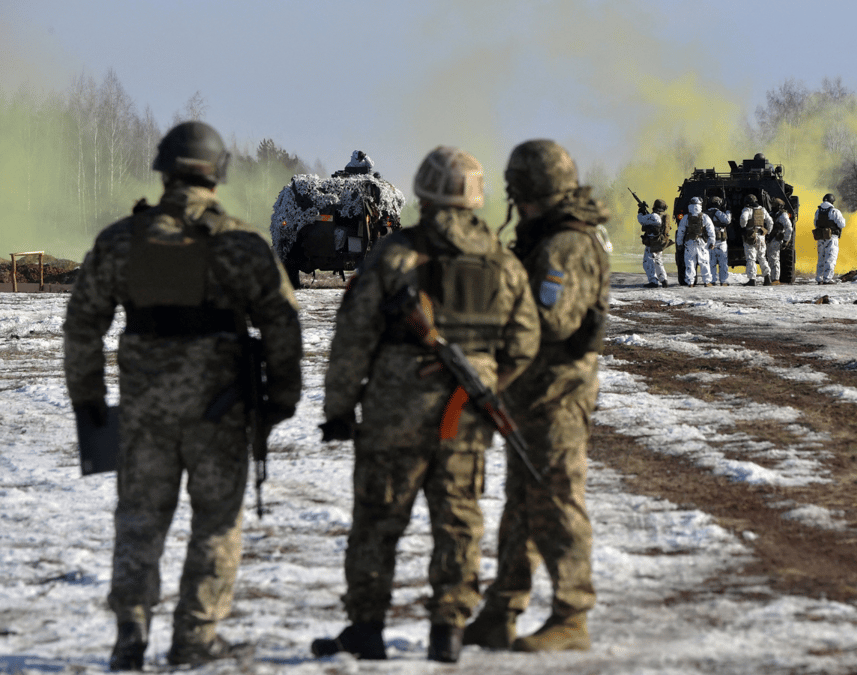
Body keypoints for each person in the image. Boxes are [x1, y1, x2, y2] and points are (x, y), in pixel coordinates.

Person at [63, 121, 303, 670]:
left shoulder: (121, 241)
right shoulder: (241, 244)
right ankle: (195, 637)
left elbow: (82, 327)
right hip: (219, 413)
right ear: (218, 173)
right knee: (216, 522)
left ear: (164, 169)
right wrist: (281, 398)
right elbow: (282, 323)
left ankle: (130, 632)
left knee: (140, 518)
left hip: (146, 413)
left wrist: (89, 401)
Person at [312, 146, 540, 663]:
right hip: (466, 413)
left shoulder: (394, 256)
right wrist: (488, 381)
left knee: (378, 518)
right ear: (477, 199)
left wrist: (339, 411)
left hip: (395, 409)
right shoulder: (501, 263)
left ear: (423, 193)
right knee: (459, 518)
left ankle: (367, 627)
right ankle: (449, 629)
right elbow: (525, 343)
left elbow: (352, 340)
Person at [463, 139, 609, 652]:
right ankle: (503, 608)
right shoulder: (541, 238)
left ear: (527, 189)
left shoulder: (565, 246)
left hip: (557, 393)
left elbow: (551, 319)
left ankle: (573, 615)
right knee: (522, 504)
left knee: (558, 500)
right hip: (530, 391)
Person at [675, 196, 715, 287]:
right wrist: (712, 242)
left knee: (690, 263)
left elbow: (681, 232)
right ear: (700, 205)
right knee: (704, 262)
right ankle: (707, 282)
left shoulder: (685, 217)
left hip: (689, 243)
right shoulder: (705, 217)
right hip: (701, 243)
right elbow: (711, 230)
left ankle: (690, 282)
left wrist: (679, 243)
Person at [814, 193, 847, 284]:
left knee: (821, 258)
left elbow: (815, 223)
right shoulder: (834, 211)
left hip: (821, 238)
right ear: (832, 201)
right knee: (830, 258)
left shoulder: (818, 211)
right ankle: (827, 279)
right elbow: (842, 224)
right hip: (832, 238)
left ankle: (819, 278)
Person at [740, 194, 773, 286]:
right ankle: (767, 278)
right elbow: (770, 222)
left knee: (751, 258)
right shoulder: (762, 210)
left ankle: (752, 279)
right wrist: (768, 232)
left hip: (751, 236)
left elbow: (743, 219)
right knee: (762, 257)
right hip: (761, 236)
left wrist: (743, 226)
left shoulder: (747, 210)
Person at [638, 198, 671, 288]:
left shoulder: (655, 216)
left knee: (648, 262)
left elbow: (641, 220)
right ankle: (664, 280)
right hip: (659, 242)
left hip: (653, 242)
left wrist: (641, 211)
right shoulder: (663, 216)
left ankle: (653, 281)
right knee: (658, 261)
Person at [766, 198, 794, 286]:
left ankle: (775, 279)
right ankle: (772, 278)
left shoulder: (783, 215)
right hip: (770, 238)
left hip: (777, 239)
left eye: (774, 205)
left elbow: (789, 228)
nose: (772, 206)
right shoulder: (771, 214)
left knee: (774, 259)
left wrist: (786, 240)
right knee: (770, 259)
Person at [707, 196, 731, 286]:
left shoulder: (705, 213)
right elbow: (727, 220)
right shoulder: (718, 212)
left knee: (711, 262)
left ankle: (712, 280)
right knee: (723, 262)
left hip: (710, 241)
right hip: (720, 241)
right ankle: (723, 281)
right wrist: (728, 211)